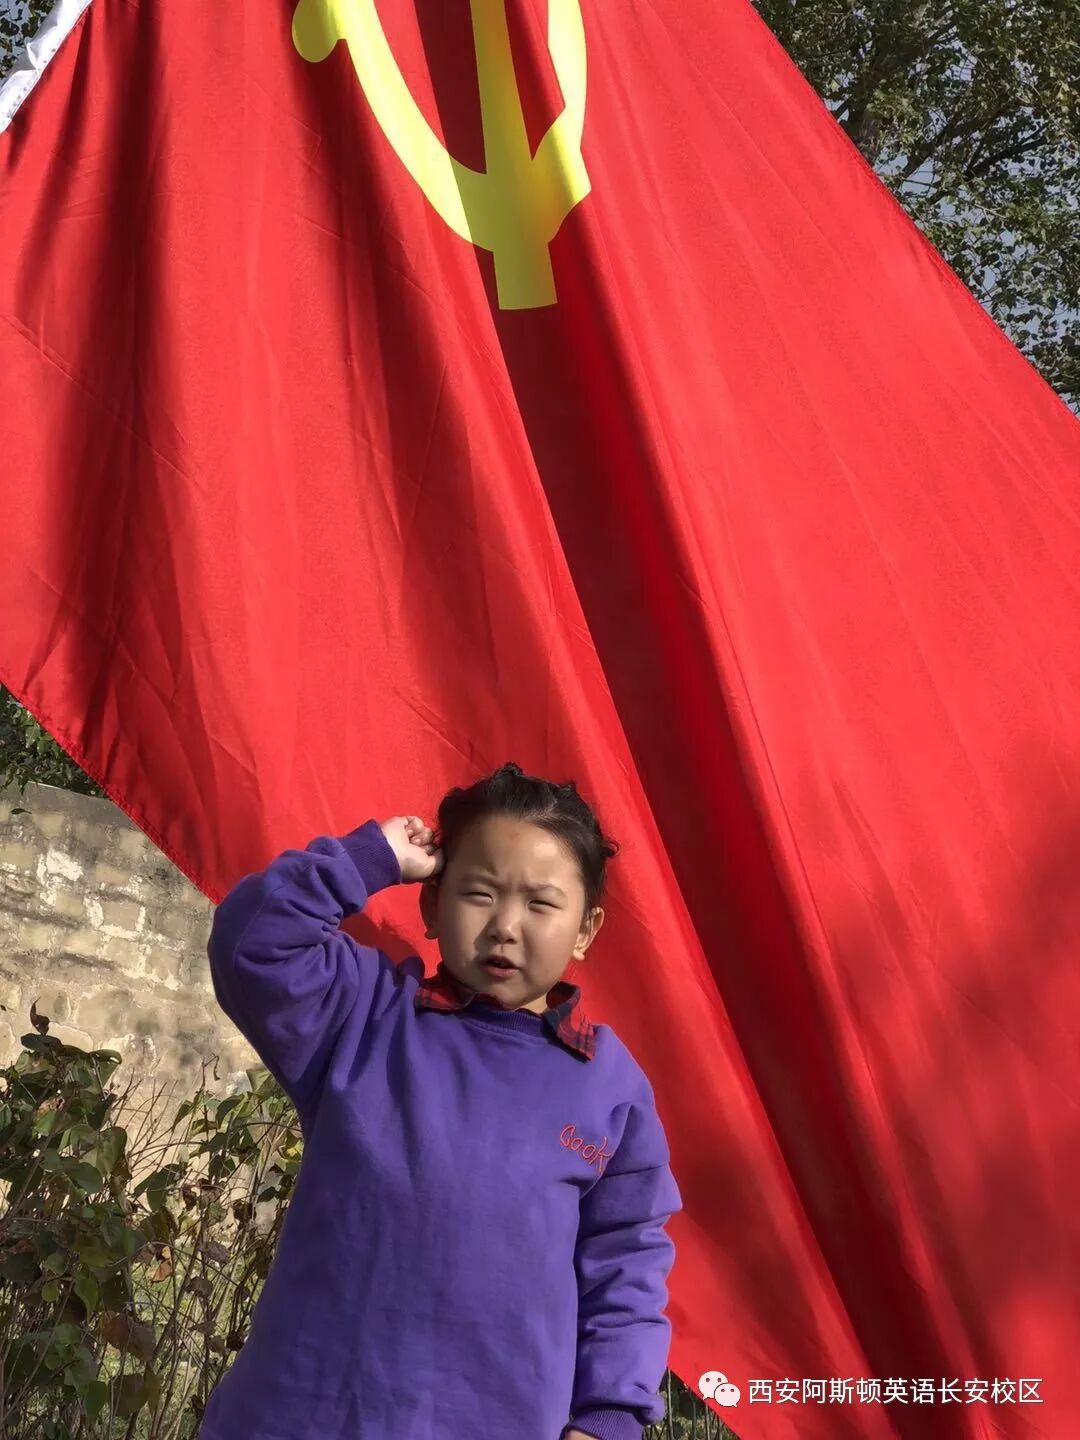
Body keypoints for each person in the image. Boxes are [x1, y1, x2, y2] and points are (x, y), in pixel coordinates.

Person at [198, 760, 682, 1440]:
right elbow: (252, 943)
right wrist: (368, 858)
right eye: (479, 893)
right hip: (295, 1418)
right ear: (431, 904)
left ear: (585, 928)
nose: (505, 925)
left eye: (541, 904)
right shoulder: (363, 1016)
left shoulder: (609, 1089)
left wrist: (608, 1417)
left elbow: (627, 1265)